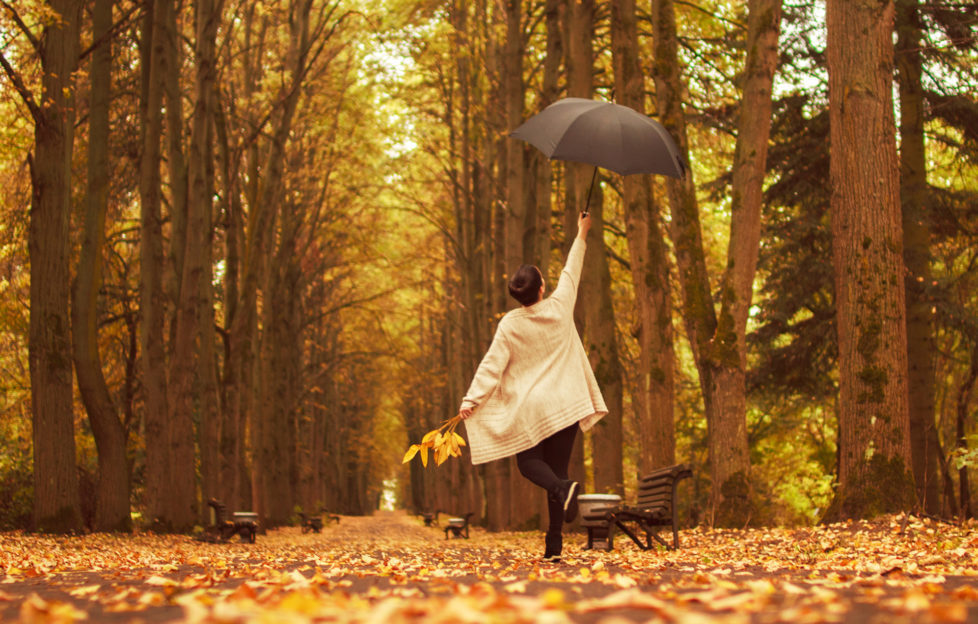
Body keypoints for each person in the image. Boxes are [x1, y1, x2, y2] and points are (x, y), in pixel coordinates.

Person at [459, 212, 607, 562]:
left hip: (535, 408)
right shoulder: (560, 305)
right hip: (567, 405)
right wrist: (581, 232)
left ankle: (557, 525)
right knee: (557, 474)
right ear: (542, 288)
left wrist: (472, 399)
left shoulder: (510, 324)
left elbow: (492, 366)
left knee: (529, 465)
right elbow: (572, 269)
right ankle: (555, 535)